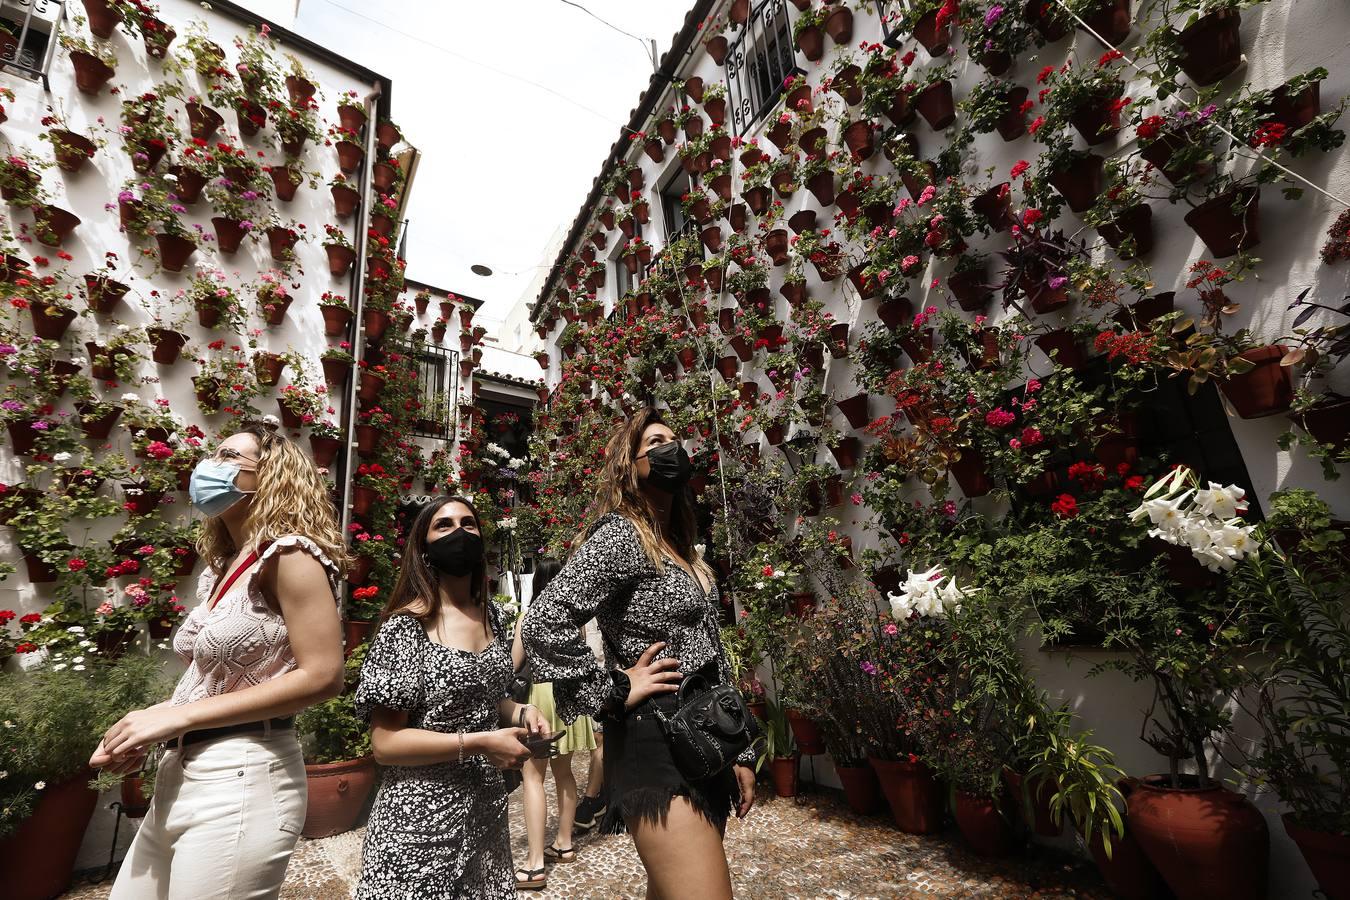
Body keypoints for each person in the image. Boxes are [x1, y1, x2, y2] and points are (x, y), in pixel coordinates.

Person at [94, 422, 349, 900]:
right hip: (181, 771)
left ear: (269, 476)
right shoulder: (224, 568)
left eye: (229, 456)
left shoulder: (291, 555)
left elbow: (324, 675)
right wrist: (152, 725)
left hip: (244, 775)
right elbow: (211, 681)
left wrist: (179, 716)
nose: (208, 465)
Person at [523, 409, 757, 900]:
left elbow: (708, 650)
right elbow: (545, 620)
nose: (672, 448)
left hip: (702, 736)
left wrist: (740, 749)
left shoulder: (680, 547)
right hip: (656, 741)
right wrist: (614, 687)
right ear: (631, 467)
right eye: (656, 441)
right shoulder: (622, 535)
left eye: (675, 439)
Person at [355, 495, 546, 900]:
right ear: (424, 550)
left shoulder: (492, 616)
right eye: (443, 525)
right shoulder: (406, 629)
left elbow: (485, 699)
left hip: (485, 816)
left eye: (468, 523)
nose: (459, 532)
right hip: (417, 825)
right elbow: (385, 744)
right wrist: (478, 743)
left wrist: (522, 712)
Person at [509, 558, 597, 891]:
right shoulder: (574, 620)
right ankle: (564, 843)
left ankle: (534, 864)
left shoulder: (528, 618)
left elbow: (514, 664)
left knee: (532, 778)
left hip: (541, 698)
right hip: (571, 699)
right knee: (565, 773)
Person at [573, 616, 607, 832]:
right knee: (598, 739)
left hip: (602, 679)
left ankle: (590, 800)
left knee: (600, 739)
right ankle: (599, 795)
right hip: (590, 680)